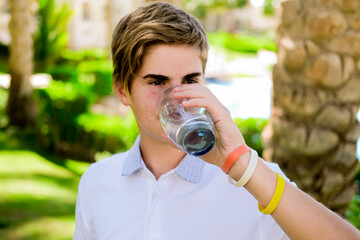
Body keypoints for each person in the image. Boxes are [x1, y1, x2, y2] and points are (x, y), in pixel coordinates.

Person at [74, 2, 360, 239]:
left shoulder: (252, 181)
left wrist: (241, 164)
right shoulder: (97, 182)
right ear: (123, 90)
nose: (178, 97)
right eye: (158, 81)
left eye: (190, 80)